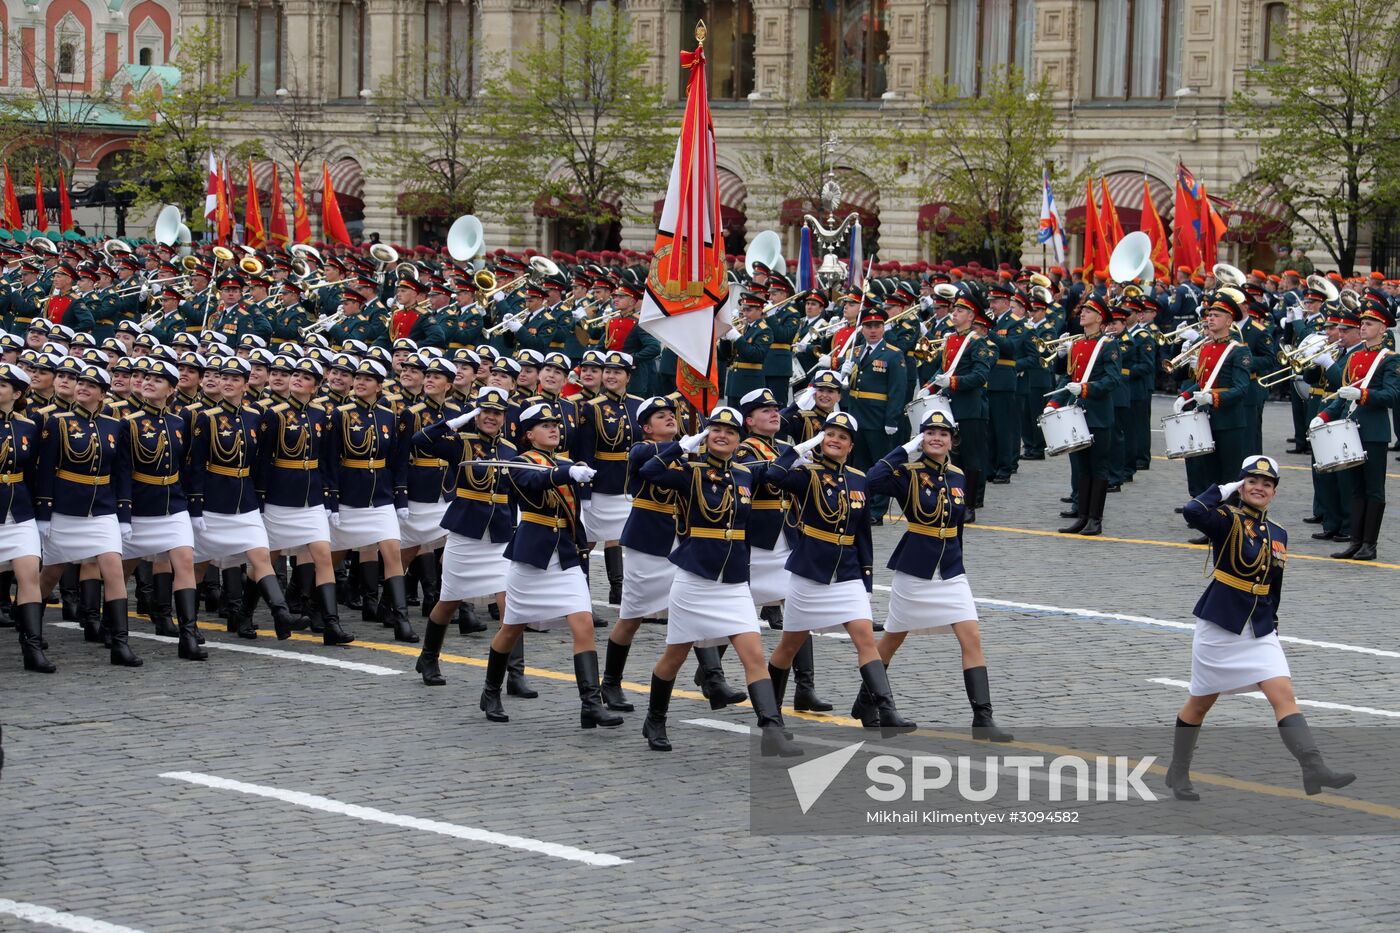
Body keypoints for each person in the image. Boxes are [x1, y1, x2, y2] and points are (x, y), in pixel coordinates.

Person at [1165, 456, 1356, 800]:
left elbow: (1274, 583)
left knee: (1283, 695)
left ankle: (1314, 768)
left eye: (1267, 484)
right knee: (1200, 704)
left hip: (1260, 627)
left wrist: (1274, 625)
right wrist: (1224, 490)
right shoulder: (1226, 518)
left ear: (1274, 493)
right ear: (1241, 485)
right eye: (1252, 481)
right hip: (1221, 626)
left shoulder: (1279, 532)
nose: (1259, 488)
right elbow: (1193, 512)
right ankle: (1178, 771)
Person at [637, 406, 800, 756]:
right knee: (675, 656)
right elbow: (648, 471)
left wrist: (796, 452)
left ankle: (771, 730)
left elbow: (777, 475)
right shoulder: (688, 471)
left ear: (739, 439)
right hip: (695, 579)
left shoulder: (744, 473)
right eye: (715, 430)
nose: (722, 435)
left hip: (734, 580)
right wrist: (680, 446)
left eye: (729, 430)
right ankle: (655, 718)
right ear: (706, 436)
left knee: (753, 656)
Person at [764, 411, 914, 731]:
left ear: (850, 446)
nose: (835, 440)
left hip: (846, 573)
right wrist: (802, 448)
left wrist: (865, 577)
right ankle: (771, 710)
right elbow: (773, 476)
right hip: (809, 571)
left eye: (842, 437)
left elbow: (862, 534)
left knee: (865, 641)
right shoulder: (807, 473)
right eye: (829, 434)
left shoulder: (859, 478)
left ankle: (885, 709)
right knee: (789, 646)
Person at [867, 410, 1012, 740]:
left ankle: (983, 719)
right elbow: (872, 481)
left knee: (971, 637)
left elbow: (957, 525)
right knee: (892, 638)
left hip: (949, 571)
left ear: (952, 440)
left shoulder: (959, 476)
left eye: (942, 434)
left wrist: (957, 562)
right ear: (921, 438)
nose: (936, 438)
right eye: (929, 433)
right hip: (914, 570)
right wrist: (904, 449)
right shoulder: (907, 472)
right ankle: (867, 701)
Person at [477, 402, 621, 729]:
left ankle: (590, 703)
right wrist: (567, 472)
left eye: (555, 424)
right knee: (511, 627)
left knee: (583, 623)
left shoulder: (565, 463)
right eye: (544, 425)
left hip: (565, 556)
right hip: (532, 557)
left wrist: (569, 469)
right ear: (529, 435)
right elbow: (534, 483)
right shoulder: (518, 463)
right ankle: (491, 690)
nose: (553, 428)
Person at [185, 356, 304, 640]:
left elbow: (261, 461)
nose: (227, 383)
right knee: (199, 565)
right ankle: (188, 625)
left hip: (245, 501)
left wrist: (259, 498)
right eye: (224, 377)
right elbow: (196, 464)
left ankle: (280, 612)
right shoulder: (206, 418)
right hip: (215, 500)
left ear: (245, 384)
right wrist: (196, 505)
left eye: (234, 379)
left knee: (261, 557)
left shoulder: (255, 417)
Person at [34, 364, 142, 667]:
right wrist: (44, 512)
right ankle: (29, 624)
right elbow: (46, 470)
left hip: (103, 508)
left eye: (91, 385)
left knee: (112, 568)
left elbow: (122, 471)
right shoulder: (57, 423)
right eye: (80, 382)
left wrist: (123, 513)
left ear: (103, 394)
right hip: (66, 508)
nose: (82, 387)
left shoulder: (114, 426)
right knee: (51, 574)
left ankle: (120, 641)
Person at [412, 386, 517, 686]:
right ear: (476, 413)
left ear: (504, 417)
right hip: (466, 533)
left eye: (497, 413)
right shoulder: (460, 443)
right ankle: (429, 657)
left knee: (510, 605)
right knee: (449, 601)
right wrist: (453, 423)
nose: (491, 418)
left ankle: (514, 672)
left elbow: (512, 493)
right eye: (485, 411)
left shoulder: (509, 449)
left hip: (498, 535)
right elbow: (420, 441)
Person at [117, 358, 206, 661]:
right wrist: (124, 514)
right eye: (146, 378)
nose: (148, 382)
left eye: (158, 379)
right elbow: (123, 470)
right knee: (123, 568)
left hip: (174, 503)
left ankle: (188, 634)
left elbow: (188, 467)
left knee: (183, 560)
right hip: (142, 503)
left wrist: (193, 507)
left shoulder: (179, 422)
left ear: (170, 389)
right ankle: (109, 622)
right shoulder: (128, 423)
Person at [327, 358, 418, 642]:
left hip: (380, 495)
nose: (361, 382)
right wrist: (331, 500)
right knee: (332, 556)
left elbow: (396, 461)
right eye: (359, 378)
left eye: (368, 379)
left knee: (392, 551)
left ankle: (400, 619)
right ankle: (317, 605)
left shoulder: (389, 416)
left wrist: (399, 496)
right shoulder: (340, 414)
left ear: (380, 385)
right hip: (349, 493)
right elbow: (329, 460)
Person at [1311, 294, 1398, 560]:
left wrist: (1362, 396)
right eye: (1362, 322)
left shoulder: (1390, 359)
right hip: (1351, 430)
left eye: (1370, 323)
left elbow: (1393, 396)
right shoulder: (1354, 357)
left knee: (1373, 488)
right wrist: (1324, 416)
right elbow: (1341, 395)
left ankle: (1369, 545)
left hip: (1373, 432)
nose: (1363, 326)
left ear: (1383, 329)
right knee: (1355, 488)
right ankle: (1355, 541)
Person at [1043, 294, 1122, 536]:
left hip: (1098, 415)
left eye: (1087, 312)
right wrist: (1055, 403)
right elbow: (1069, 378)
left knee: (1098, 468)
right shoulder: (1077, 344)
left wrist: (1087, 388)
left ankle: (1095, 520)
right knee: (1081, 468)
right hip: (1077, 415)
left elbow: (1113, 379)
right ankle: (1082, 516)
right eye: (1082, 311)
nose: (1082, 314)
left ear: (1099, 318)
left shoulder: (1108, 345)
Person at [0, 364, 48, 672]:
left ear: (17, 393)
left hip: (18, 512)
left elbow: (33, 474)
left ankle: (32, 647)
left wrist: (39, 514)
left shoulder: (27, 427)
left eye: (3, 385)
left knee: (29, 575)